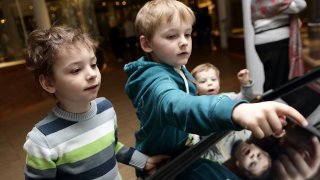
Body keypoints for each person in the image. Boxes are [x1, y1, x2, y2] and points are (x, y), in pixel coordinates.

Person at [123, 0, 313, 179]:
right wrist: (236, 110)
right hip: (167, 165)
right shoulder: (153, 80)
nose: (184, 42)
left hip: (183, 153)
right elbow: (177, 104)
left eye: (187, 34)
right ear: (146, 44)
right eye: (172, 36)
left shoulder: (174, 67)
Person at [23, 26, 168, 179]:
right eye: (76, 70)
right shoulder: (42, 141)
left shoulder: (105, 109)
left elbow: (111, 146)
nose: (92, 74)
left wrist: (144, 161)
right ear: (48, 83)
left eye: (93, 65)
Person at [251, 0, 307, 92]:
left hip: (262, 42)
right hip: (277, 42)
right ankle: (271, 104)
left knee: (272, 79)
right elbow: (300, 4)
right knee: (280, 84)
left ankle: (267, 104)